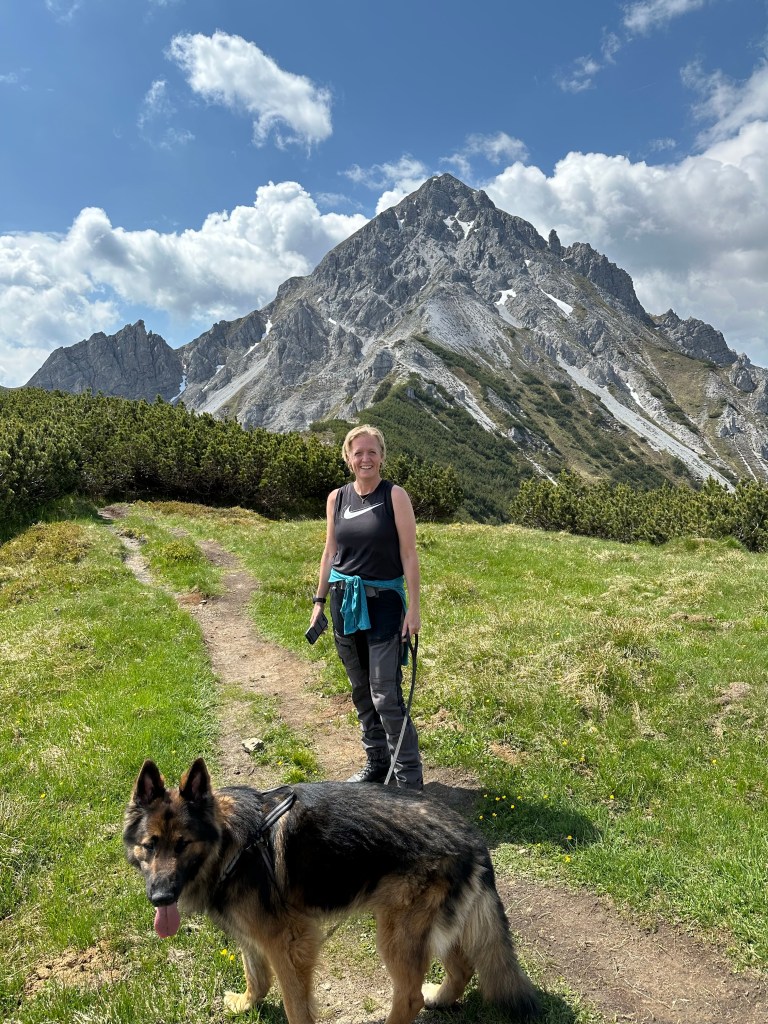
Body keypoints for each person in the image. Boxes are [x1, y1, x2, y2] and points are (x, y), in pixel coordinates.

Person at [308, 425, 423, 791]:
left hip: (385, 604)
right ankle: (377, 763)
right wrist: (319, 602)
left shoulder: (395, 496)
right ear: (348, 458)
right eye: (358, 452)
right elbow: (330, 552)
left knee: (385, 693)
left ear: (382, 456)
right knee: (361, 690)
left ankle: (409, 781)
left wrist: (414, 608)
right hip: (344, 602)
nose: (365, 459)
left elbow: (409, 554)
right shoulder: (337, 498)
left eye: (372, 451)